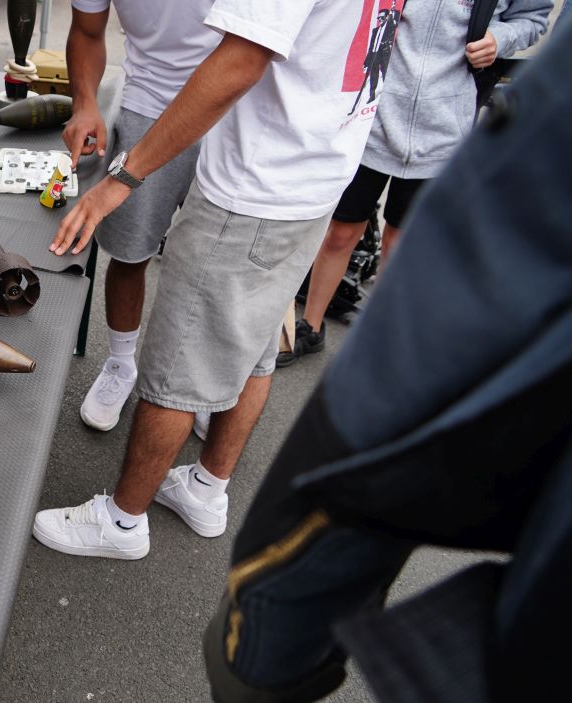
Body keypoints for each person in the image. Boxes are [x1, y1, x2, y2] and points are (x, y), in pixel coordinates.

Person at [204, 23, 571, 701]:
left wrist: (274, 620)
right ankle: (312, 323)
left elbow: (503, 244)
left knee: (406, 245)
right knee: (347, 236)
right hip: (379, 125)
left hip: (438, 131)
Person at [34, 0, 403, 558]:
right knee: (256, 343)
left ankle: (122, 523)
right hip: (317, 173)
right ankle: (206, 489)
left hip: (254, 186)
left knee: (175, 365)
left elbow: (238, 62)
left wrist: (121, 179)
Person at [282, 0, 551, 365]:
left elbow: (532, 18)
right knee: (340, 233)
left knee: (400, 243)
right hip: (374, 113)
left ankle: (374, 340)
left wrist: (499, 38)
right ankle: (311, 327)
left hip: (444, 125)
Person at [63, 0, 220, 433]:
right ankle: (120, 364)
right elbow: (87, 31)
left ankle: (201, 380)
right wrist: (85, 103)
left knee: (214, 264)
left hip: (230, 112)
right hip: (146, 106)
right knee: (130, 253)